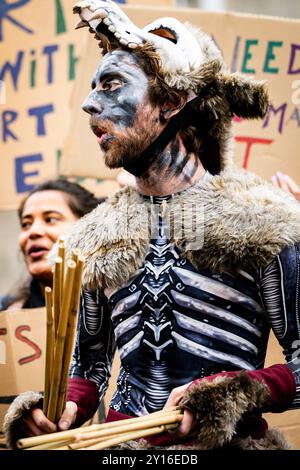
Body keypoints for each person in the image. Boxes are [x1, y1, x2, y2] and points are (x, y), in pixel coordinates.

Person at [4, 0, 300, 450]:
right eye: (92, 87)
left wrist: (237, 393)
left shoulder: (266, 221)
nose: (89, 104)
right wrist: (57, 407)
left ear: (171, 101)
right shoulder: (92, 238)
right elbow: (88, 368)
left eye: (112, 85)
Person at [1, 179, 101, 311]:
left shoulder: (123, 307)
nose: (33, 231)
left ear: (88, 230)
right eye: (26, 224)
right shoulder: (6, 316)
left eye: (50, 219)